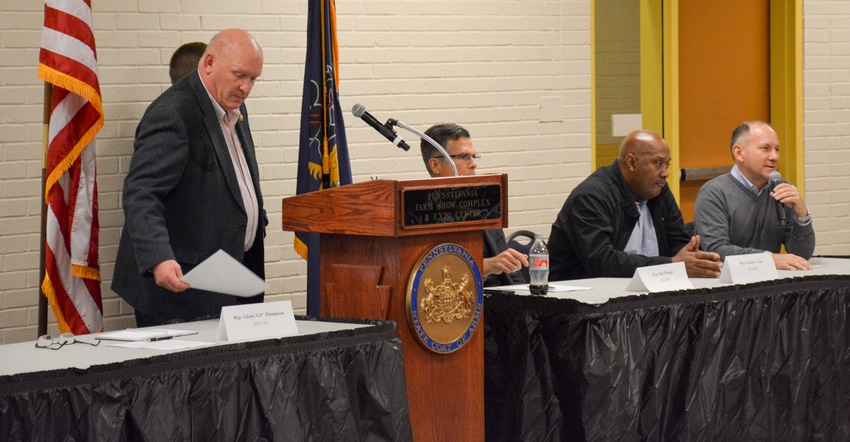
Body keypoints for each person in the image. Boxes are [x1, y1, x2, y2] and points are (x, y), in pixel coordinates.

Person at [112, 29, 266, 327]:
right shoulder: (173, 113)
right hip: (182, 286)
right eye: (239, 75)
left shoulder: (232, 103)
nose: (246, 87)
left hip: (233, 277)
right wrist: (158, 258)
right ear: (208, 63)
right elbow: (141, 194)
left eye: (253, 79)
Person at [548, 129, 723, 280]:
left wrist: (694, 259)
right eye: (658, 163)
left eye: (667, 164)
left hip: (643, 298)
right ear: (631, 163)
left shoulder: (659, 191)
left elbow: (677, 243)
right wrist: (671, 265)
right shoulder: (591, 197)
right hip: (578, 306)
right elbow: (602, 263)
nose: (666, 173)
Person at [693, 121, 815, 269]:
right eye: (765, 149)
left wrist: (802, 215)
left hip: (773, 284)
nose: (774, 157)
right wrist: (769, 259)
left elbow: (801, 255)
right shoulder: (714, 193)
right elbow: (716, 251)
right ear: (739, 153)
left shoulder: (782, 190)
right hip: (726, 285)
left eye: (777, 149)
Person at [420, 123, 528, 286]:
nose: (473, 164)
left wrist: (525, 293)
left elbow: (508, 267)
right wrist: (487, 266)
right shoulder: (423, 214)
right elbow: (433, 272)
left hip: (503, 297)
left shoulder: (485, 202)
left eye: (473, 157)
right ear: (435, 165)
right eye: (464, 157)